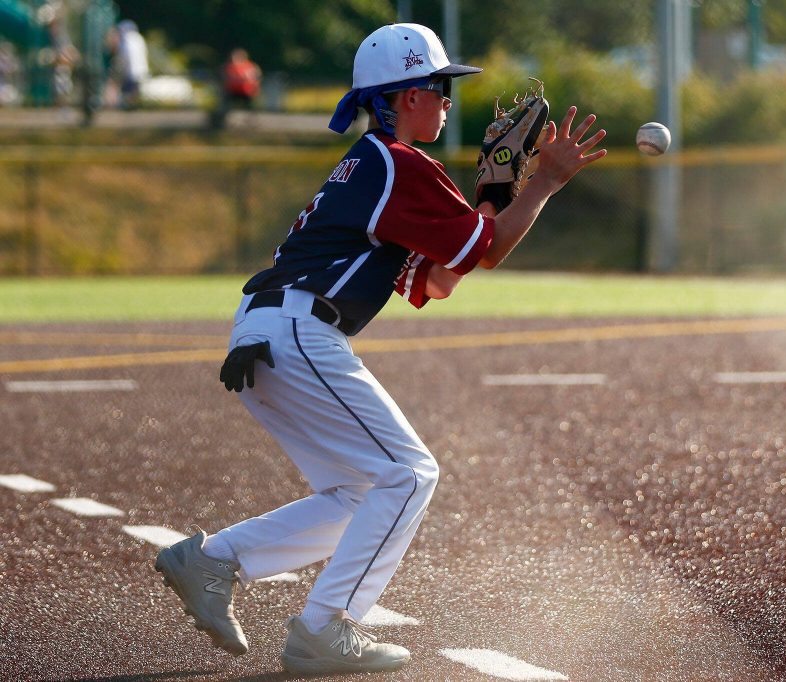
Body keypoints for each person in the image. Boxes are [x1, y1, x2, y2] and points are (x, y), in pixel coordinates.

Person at [154, 22, 605, 676]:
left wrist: (495, 193)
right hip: (297, 332)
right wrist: (543, 184)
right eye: (441, 87)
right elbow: (489, 250)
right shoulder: (398, 164)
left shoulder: (376, 166)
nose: (448, 100)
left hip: (268, 329)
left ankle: (213, 560)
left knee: (359, 492)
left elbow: (441, 277)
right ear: (408, 94)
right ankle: (324, 627)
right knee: (411, 473)